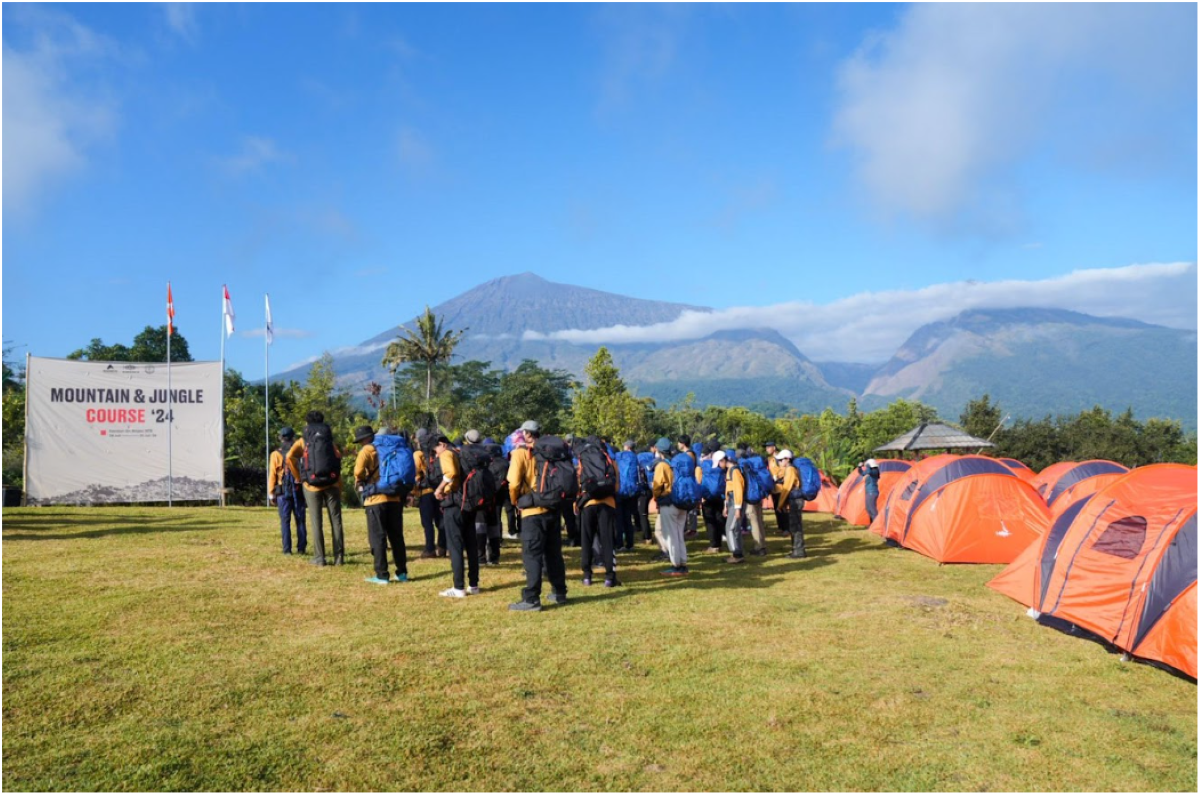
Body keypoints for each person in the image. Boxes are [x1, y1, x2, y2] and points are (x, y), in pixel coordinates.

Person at [508, 420, 569, 612]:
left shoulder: (520, 453)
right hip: (552, 508)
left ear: (527, 434)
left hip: (532, 510)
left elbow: (513, 483)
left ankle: (532, 598)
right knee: (553, 553)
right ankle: (559, 592)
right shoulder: (551, 452)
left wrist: (516, 501)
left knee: (532, 555)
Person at [286, 410, 345, 566]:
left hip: (311, 486)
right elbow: (338, 456)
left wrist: (299, 477)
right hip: (331, 483)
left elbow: (289, 457)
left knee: (316, 522)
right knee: (336, 521)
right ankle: (339, 557)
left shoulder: (303, 440)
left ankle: (320, 558)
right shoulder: (328, 439)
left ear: (307, 423)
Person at [353, 425, 408, 585]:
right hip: (394, 497)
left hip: (375, 499)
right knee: (396, 536)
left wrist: (361, 483)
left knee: (378, 537)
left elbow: (358, 472)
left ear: (364, 439)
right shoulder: (394, 448)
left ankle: (382, 575)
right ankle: (402, 572)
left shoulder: (367, 450)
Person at [434, 435, 479, 598]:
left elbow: (451, 473)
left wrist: (439, 489)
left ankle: (458, 587)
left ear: (442, 445)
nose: (436, 453)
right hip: (469, 503)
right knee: (471, 544)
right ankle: (473, 584)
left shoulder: (447, 453)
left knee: (455, 546)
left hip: (454, 504)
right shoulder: (461, 452)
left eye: (436, 449)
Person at [577, 435, 620, 587]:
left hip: (588, 503)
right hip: (607, 503)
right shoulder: (610, 459)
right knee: (607, 540)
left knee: (587, 540)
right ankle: (609, 577)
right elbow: (616, 486)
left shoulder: (583, 458)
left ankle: (587, 576)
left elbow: (579, 481)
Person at [268, 426, 306, 556]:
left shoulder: (275, 454)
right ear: (293, 437)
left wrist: (271, 493)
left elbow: (272, 474)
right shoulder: (299, 452)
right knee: (300, 520)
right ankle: (301, 548)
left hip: (282, 492)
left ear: (281, 438)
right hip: (298, 489)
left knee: (285, 521)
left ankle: (287, 549)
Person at [653, 437, 688, 576]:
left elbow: (657, 486)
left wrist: (656, 497)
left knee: (671, 536)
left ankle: (676, 565)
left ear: (659, 450)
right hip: (682, 501)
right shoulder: (676, 463)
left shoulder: (662, 465)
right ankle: (683, 563)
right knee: (679, 535)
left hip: (668, 502)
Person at [413, 428, 445, 559]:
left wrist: (413, 491)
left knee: (427, 522)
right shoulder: (438, 451)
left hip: (425, 491)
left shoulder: (418, 454)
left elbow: (415, 472)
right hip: (440, 490)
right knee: (440, 520)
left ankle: (430, 549)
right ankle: (442, 547)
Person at [775, 450, 807, 558]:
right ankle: (796, 549)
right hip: (796, 499)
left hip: (795, 500)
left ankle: (798, 551)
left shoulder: (790, 470)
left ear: (787, 459)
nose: (779, 462)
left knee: (795, 526)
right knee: (795, 525)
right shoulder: (791, 469)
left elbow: (786, 488)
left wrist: (780, 504)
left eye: (781, 460)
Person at [716, 451, 745, 563]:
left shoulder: (734, 471)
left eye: (719, 463)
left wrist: (737, 508)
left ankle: (736, 554)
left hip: (736, 503)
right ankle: (738, 552)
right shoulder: (730, 471)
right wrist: (726, 505)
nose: (719, 465)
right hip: (732, 502)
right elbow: (728, 489)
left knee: (730, 528)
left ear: (723, 460)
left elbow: (738, 490)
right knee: (735, 528)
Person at [764, 441, 788, 535]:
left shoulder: (779, 458)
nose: (767, 449)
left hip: (781, 487)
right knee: (776, 508)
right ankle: (780, 527)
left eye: (768, 447)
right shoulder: (770, 459)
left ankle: (786, 528)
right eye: (766, 447)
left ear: (774, 447)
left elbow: (784, 468)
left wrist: (777, 476)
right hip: (774, 488)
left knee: (782, 508)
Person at [859, 458, 882, 523]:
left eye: (867, 465)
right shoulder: (871, 471)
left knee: (872, 509)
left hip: (872, 492)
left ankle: (876, 524)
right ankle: (872, 524)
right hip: (869, 492)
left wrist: (867, 465)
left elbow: (868, 472)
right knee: (868, 508)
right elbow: (862, 473)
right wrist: (859, 467)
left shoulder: (875, 471)